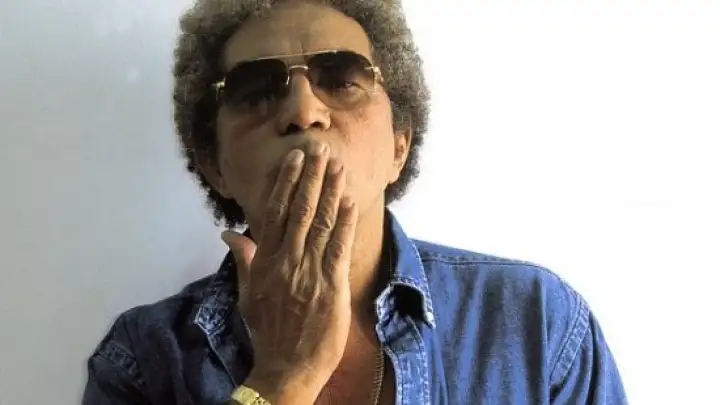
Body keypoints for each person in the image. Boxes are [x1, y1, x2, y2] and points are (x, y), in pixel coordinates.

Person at [82, 0, 628, 404]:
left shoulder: (536, 324)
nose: (303, 111)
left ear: (399, 146)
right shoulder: (143, 359)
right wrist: (283, 377)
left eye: (342, 79)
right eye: (257, 90)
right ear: (214, 164)